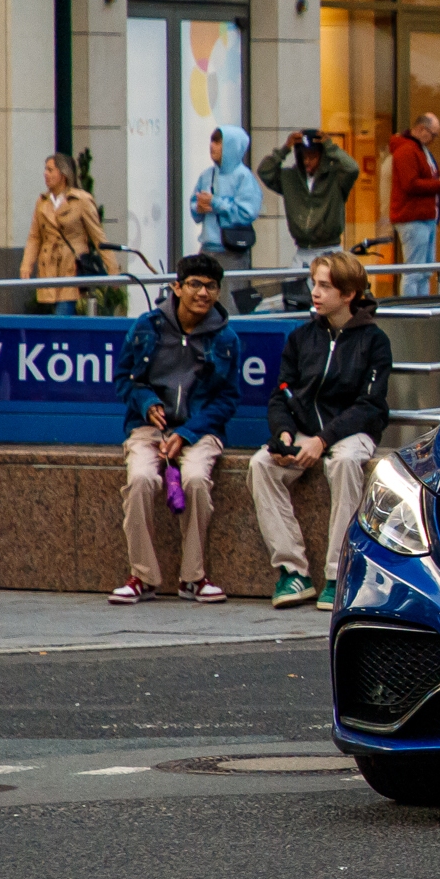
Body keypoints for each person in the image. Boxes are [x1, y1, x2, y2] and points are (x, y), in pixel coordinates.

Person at [250, 251, 393, 611]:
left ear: (348, 295)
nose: (315, 292)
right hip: (302, 431)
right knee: (261, 465)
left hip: (350, 433)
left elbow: (369, 405)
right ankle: (292, 572)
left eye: (325, 286)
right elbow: (281, 393)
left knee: (343, 465)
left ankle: (337, 574)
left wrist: (323, 439)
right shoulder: (301, 338)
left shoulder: (374, 341)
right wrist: (283, 434)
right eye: (315, 283)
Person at [111, 253, 241, 604]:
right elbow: (124, 379)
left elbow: (228, 399)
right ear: (177, 287)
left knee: (196, 480)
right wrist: (145, 402)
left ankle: (193, 578)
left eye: (211, 286)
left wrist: (188, 433)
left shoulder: (226, 339)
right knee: (140, 480)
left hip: (199, 431)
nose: (203, 293)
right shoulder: (146, 327)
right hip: (148, 429)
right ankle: (143, 576)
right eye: (195, 284)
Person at [258, 129, 360, 297]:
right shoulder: (289, 177)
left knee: (328, 298)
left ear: (322, 156)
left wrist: (330, 147)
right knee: (295, 300)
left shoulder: (335, 177)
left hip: (329, 250)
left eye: (312, 156)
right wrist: (285, 148)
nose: (307, 161)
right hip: (302, 252)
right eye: (304, 156)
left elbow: (352, 168)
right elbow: (265, 171)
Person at [20, 153, 108, 316]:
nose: (45, 174)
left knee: (63, 314)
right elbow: (35, 237)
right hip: (48, 268)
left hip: (71, 267)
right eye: (45, 169)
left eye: (50, 170)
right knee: (52, 318)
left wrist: (113, 270)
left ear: (63, 174)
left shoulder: (81, 200)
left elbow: (98, 237)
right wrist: (27, 265)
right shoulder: (43, 202)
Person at [387, 112, 440, 296]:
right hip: (413, 218)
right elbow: (410, 184)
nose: (434, 139)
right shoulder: (407, 150)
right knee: (415, 271)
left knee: (424, 272)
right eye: (433, 134)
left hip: (425, 217)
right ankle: (411, 311)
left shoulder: (419, 149)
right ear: (421, 129)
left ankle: (422, 307)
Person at [188, 123, 262, 271]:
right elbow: (194, 204)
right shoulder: (207, 175)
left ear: (232, 146)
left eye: (217, 142)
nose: (212, 146)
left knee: (228, 293)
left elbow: (247, 212)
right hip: (207, 248)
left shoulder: (244, 176)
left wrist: (216, 203)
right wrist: (198, 208)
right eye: (212, 141)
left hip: (232, 251)